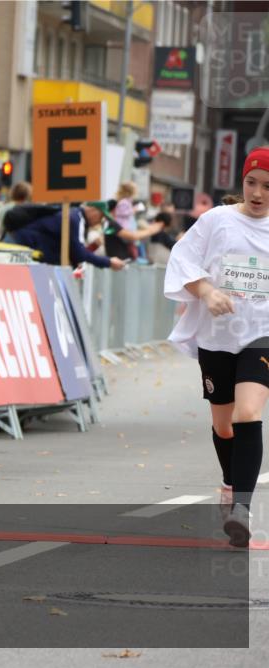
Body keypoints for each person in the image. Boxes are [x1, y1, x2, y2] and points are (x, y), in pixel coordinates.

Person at [164, 146, 269, 548]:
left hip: (262, 335)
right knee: (223, 425)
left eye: (267, 187)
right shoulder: (216, 221)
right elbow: (182, 261)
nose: (258, 193)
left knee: (248, 412)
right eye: (251, 183)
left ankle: (242, 508)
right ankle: (230, 483)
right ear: (242, 182)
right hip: (218, 337)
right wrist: (206, 291)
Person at [12, 201, 127, 270]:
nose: (99, 221)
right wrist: (108, 262)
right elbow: (79, 254)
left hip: (28, 252)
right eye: (101, 217)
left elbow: (75, 253)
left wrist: (93, 247)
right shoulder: (75, 219)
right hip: (22, 250)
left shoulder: (75, 217)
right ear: (93, 210)